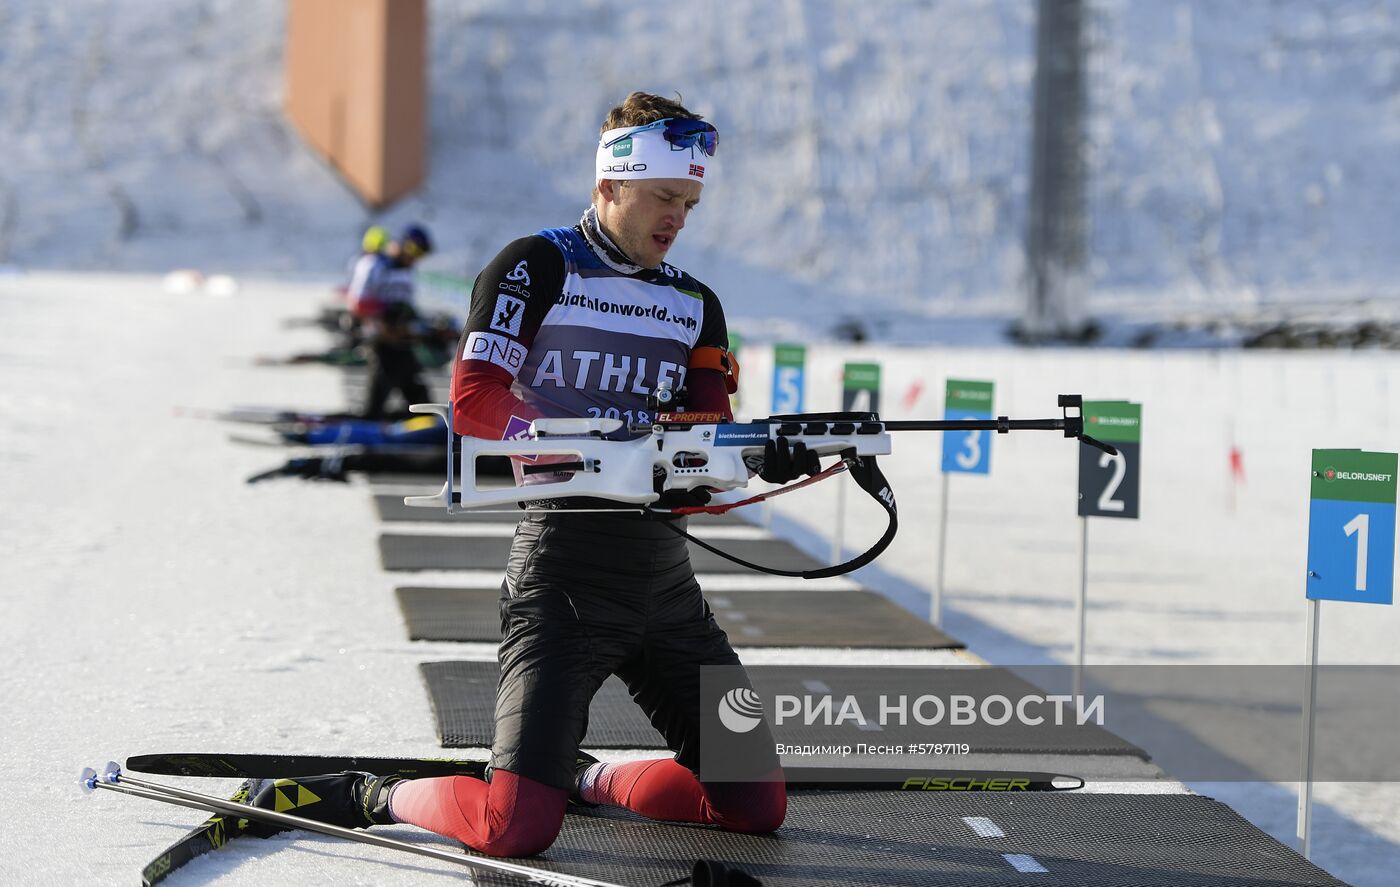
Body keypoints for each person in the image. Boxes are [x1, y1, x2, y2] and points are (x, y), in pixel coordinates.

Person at [255, 92, 816, 856]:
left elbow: (705, 450)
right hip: (563, 582)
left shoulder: (695, 304)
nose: (677, 217)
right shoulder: (536, 264)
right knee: (511, 828)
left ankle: (583, 778)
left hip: (668, 592)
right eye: (662, 197)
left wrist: (756, 456)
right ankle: (372, 792)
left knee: (757, 806)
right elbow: (474, 399)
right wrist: (577, 442)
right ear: (610, 186)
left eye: (688, 202)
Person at [351, 224, 435, 419]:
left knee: (422, 402)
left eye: (421, 254)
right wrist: (387, 311)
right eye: (413, 250)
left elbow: (406, 307)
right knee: (375, 407)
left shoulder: (407, 271)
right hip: (383, 345)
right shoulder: (375, 265)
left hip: (404, 345)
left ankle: (429, 436)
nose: (415, 258)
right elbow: (357, 304)